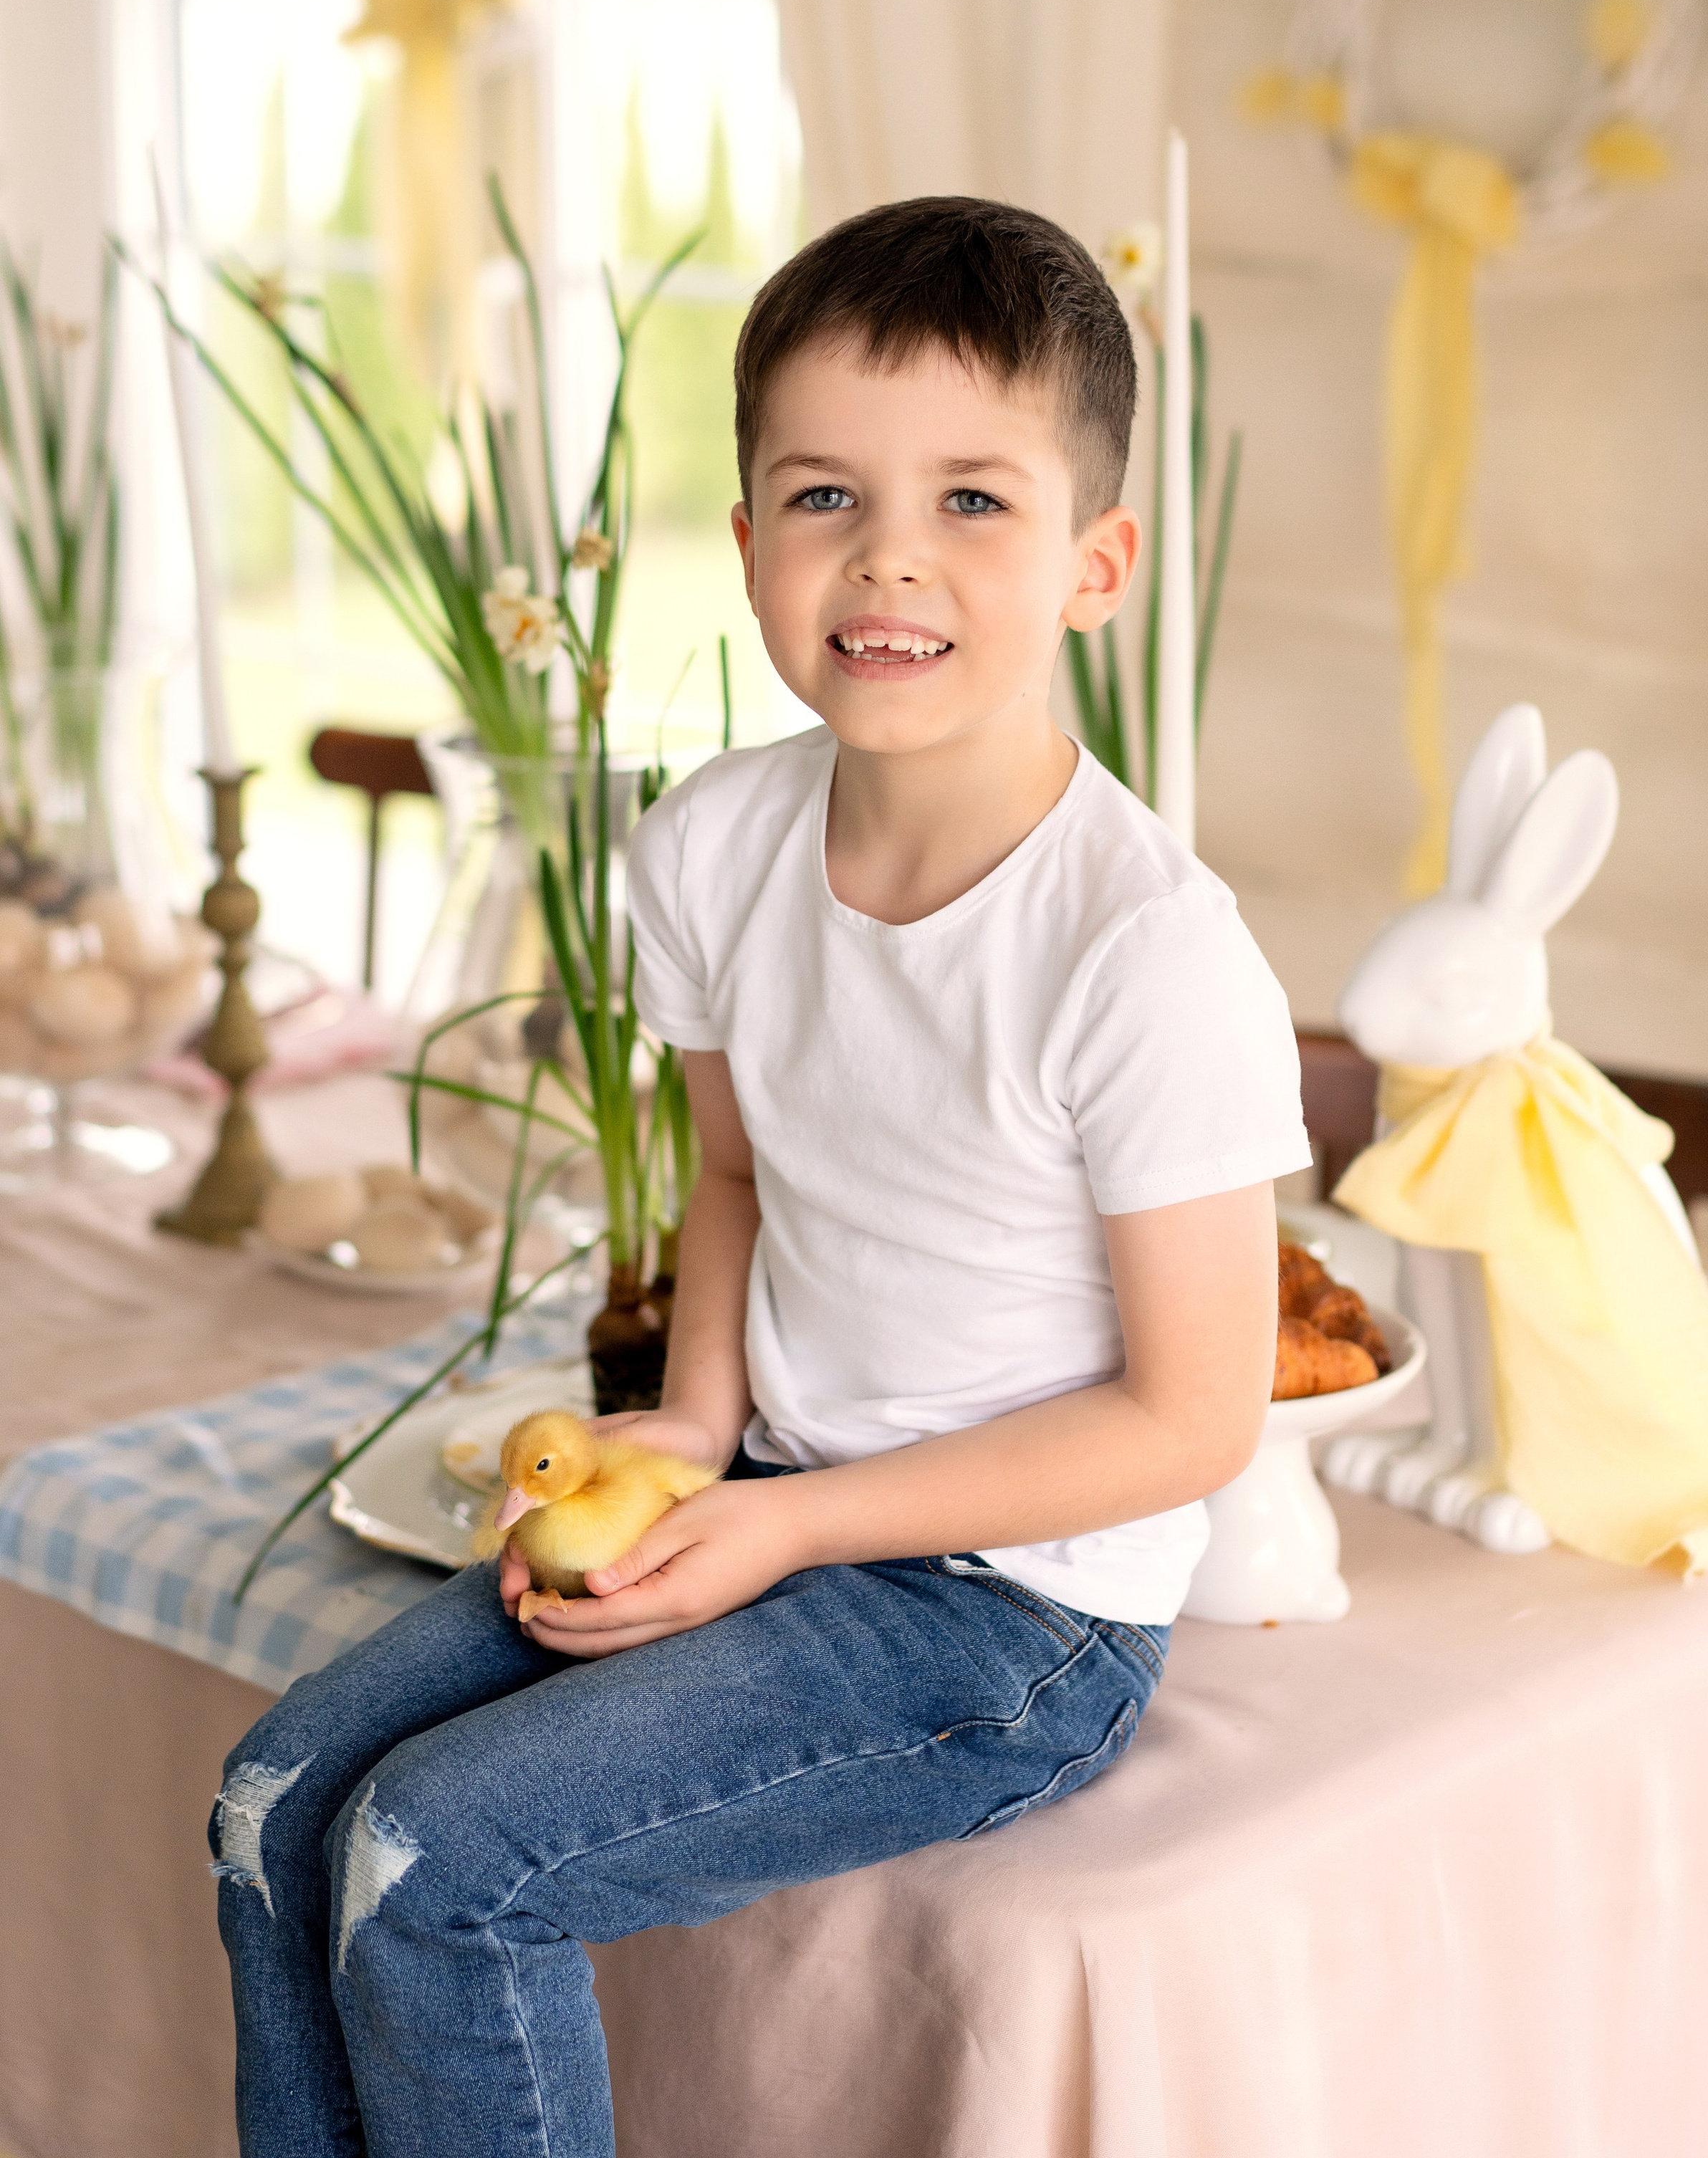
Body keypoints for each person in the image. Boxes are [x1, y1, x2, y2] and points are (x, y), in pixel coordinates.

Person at [211, 195, 1311, 2158]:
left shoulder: (1147, 954)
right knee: (274, 1804)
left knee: (426, 1861)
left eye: (972, 499)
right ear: (746, 547)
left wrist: (790, 1527)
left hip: (1011, 1616)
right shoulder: (712, 849)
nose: (888, 553)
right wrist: (696, 1429)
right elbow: (733, 1173)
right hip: (779, 1489)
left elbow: (1193, 1418)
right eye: (825, 495)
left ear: (1098, 563)